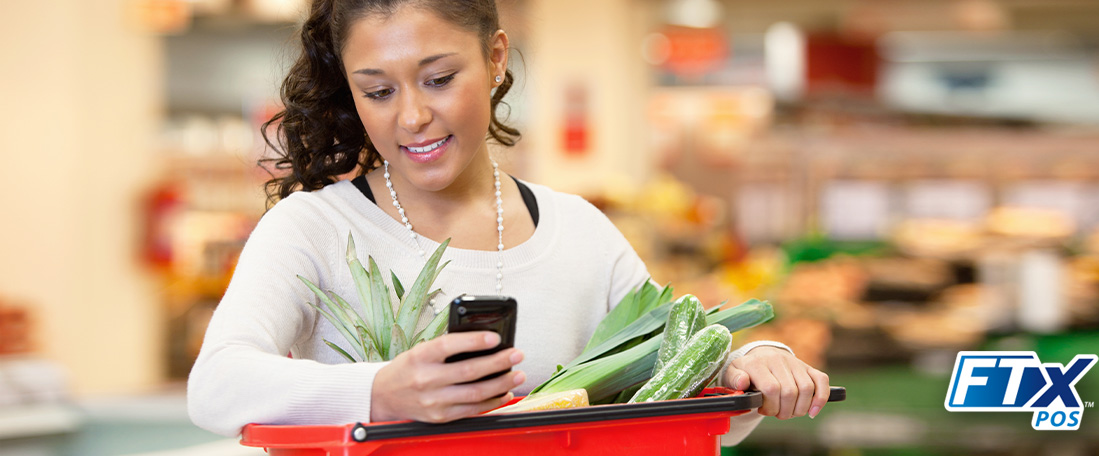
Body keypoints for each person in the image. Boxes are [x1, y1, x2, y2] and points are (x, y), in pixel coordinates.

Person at [186, 0, 831, 440]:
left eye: (438, 79)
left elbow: (669, 387)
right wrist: (381, 391)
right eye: (378, 91)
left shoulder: (579, 233)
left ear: (497, 59)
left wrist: (751, 362)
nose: (410, 117)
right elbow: (216, 384)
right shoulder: (314, 229)